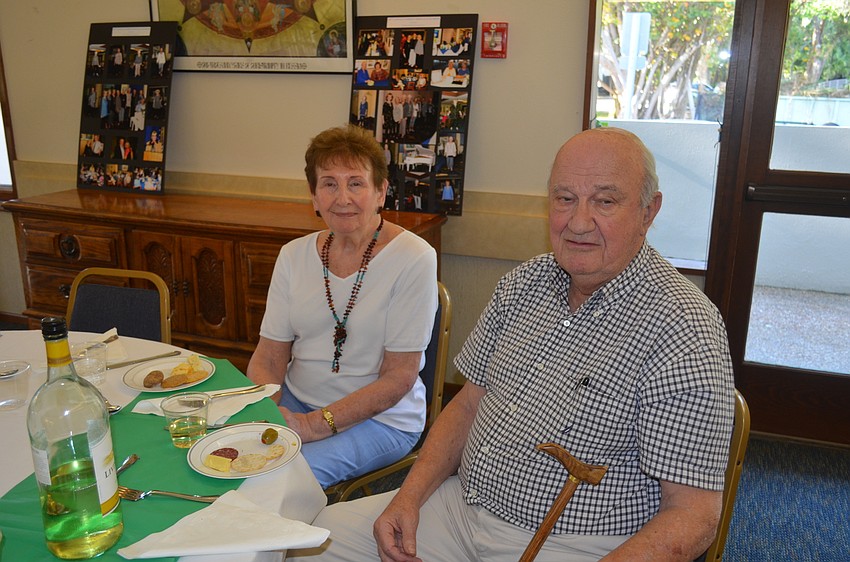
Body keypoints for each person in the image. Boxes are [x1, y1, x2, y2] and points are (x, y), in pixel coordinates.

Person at [288, 128, 736, 562]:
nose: (579, 222)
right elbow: (466, 406)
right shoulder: (524, 283)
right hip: (459, 508)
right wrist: (408, 499)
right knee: (303, 546)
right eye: (565, 199)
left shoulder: (684, 328)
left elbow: (694, 514)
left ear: (648, 211)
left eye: (605, 201)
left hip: (576, 542)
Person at [247, 125, 438, 489]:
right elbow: (269, 358)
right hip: (295, 402)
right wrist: (268, 410)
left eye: (356, 183)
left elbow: (399, 377)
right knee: (234, 458)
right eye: (329, 183)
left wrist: (313, 425)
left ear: (381, 192)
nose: (342, 197)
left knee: (283, 480)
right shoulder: (293, 256)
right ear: (314, 197)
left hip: (382, 420)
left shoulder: (414, 258)